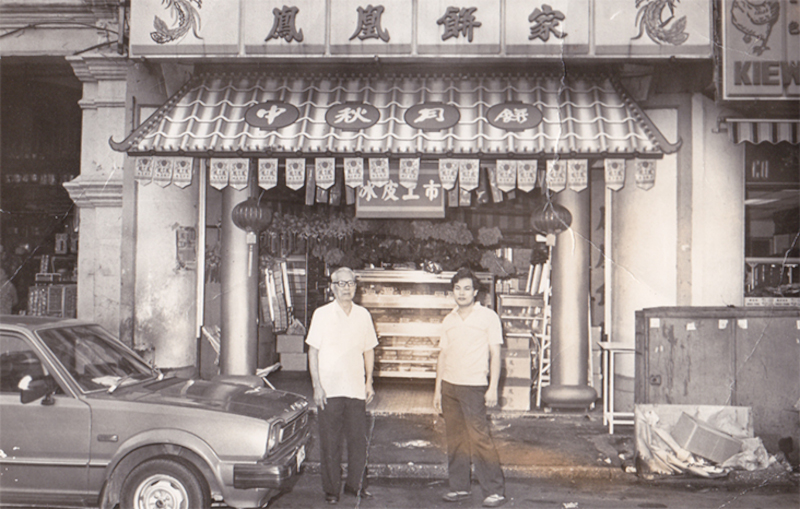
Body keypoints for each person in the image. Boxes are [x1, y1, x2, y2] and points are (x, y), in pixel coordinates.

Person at [433, 267, 506, 508]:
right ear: (452, 291)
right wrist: (437, 390)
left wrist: (493, 387)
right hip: (450, 386)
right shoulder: (449, 319)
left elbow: (496, 354)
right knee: (455, 439)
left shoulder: (488, 317)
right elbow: (442, 356)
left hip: (474, 386)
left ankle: (494, 490)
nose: (461, 293)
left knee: (479, 438)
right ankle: (459, 487)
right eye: (457, 288)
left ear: (475, 292)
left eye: (467, 288)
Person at [306, 266, 378, 505]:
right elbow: (313, 351)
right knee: (330, 442)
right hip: (329, 389)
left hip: (355, 389)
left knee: (358, 441)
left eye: (350, 283)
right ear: (332, 287)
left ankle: (355, 485)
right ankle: (331, 489)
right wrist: (317, 386)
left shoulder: (363, 315)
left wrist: (369, 381)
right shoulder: (322, 314)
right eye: (341, 284)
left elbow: (369, 350)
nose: (346, 288)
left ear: (356, 287)